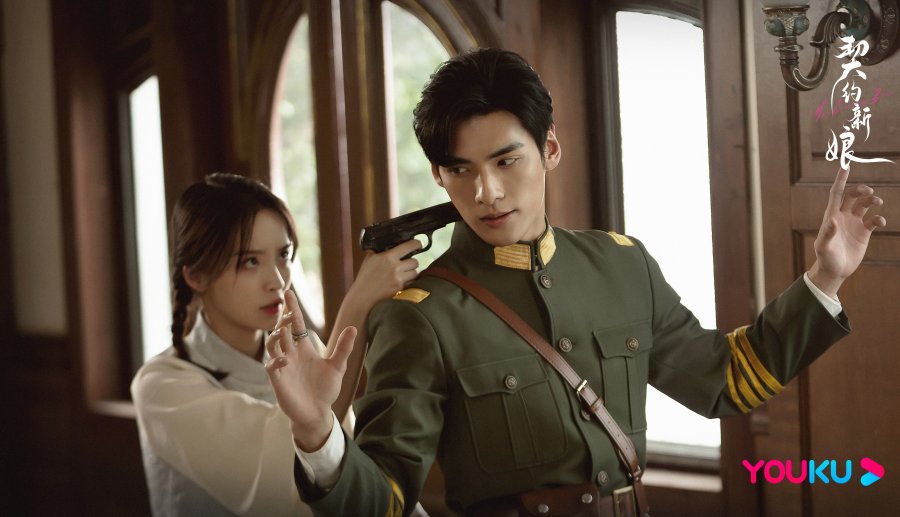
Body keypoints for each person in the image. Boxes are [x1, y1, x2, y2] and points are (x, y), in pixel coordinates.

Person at [264, 48, 886, 516]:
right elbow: (388, 500)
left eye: (506, 160)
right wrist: (317, 435)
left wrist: (824, 278)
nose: (487, 192)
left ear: (550, 150)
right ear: (439, 176)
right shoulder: (420, 314)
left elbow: (725, 381)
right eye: (461, 170)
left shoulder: (622, 265)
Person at [130, 173, 421, 516]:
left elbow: (354, 479)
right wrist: (357, 304)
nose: (278, 280)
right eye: (250, 261)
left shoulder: (301, 352)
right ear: (196, 275)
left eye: (283, 255)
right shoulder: (161, 386)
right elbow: (288, 481)